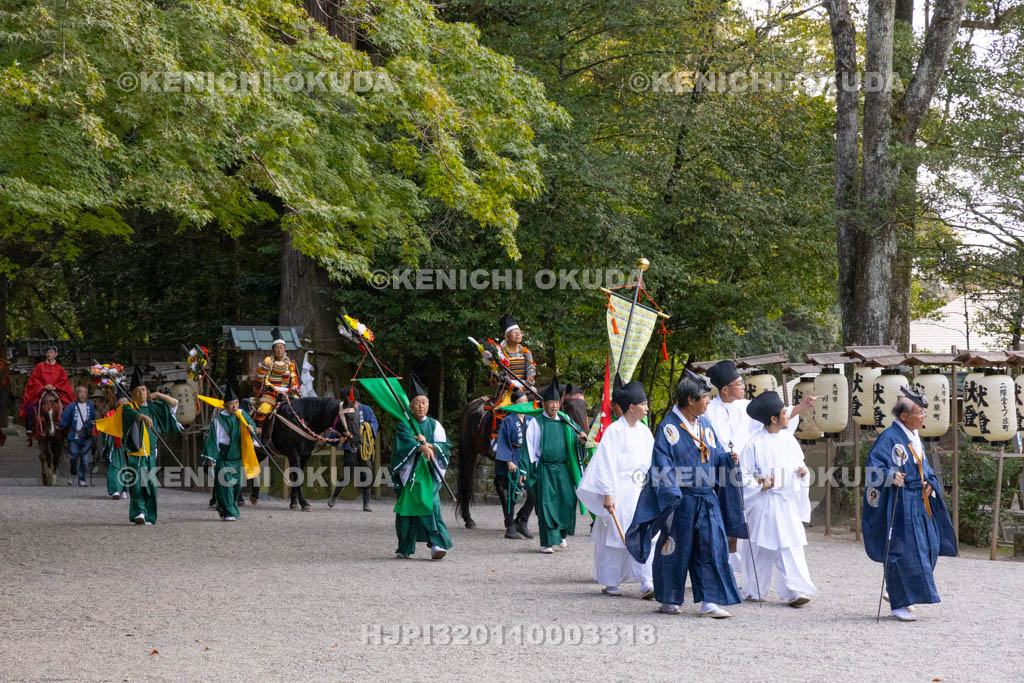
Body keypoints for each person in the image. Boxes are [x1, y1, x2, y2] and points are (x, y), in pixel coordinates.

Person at [626, 371, 748, 618]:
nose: (708, 402)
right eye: (705, 397)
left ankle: (710, 602)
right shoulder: (668, 427)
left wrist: (727, 460)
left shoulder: (705, 424)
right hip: (680, 499)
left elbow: (715, 455)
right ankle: (669, 598)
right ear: (690, 400)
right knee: (675, 549)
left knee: (712, 547)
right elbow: (661, 464)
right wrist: (671, 493)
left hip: (706, 499)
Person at [704, 359, 818, 578]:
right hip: (718, 469)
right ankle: (721, 568)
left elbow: (771, 421)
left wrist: (801, 408)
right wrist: (722, 457)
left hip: (749, 471)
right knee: (721, 520)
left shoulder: (747, 408)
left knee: (745, 521)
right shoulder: (709, 410)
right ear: (725, 388)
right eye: (738, 383)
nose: (742, 386)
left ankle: (744, 571)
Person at [863, 387, 957, 622]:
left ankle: (899, 593)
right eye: (919, 412)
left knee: (930, 546)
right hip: (900, 502)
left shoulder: (914, 437)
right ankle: (899, 603)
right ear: (904, 416)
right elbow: (873, 469)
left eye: (924, 412)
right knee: (903, 551)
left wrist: (930, 483)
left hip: (920, 499)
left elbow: (925, 468)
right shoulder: (889, 438)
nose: (923, 416)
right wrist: (890, 476)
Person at [576, 377, 656, 598]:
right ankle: (611, 582)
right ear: (632, 407)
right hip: (620, 489)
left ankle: (647, 582)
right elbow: (605, 464)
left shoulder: (645, 432)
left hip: (641, 489)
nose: (647, 408)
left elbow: (652, 462)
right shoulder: (613, 431)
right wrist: (608, 493)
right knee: (615, 535)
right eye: (644, 404)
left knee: (645, 533)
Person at [738, 391, 817, 606]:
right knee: (760, 546)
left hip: (785, 501)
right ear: (773, 418)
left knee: (790, 546)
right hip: (764, 501)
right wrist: (760, 485)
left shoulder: (789, 440)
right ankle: (755, 589)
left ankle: (796, 590)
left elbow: (799, 465)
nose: (787, 416)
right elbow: (743, 476)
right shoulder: (753, 444)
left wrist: (802, 473)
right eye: (784, 413)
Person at [390, 376, 452, 560]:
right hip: (411, 475)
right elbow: (403, 445)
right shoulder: (405, 424)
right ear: (410, 406)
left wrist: (431, 446)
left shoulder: (435, 425)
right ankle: (405, 547)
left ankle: (437, 544)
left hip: (430, 474)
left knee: (431, 505)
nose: (421, 406)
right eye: (417, 403)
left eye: (424, 402)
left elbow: (445, 446)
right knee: (407, 511)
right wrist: (419, 447)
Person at [522, 377, 584, 554]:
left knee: (568, 500)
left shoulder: (565, 421)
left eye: (557, 402)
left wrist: (580, 442)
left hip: (562, 468)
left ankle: (561, 535)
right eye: (551, 403)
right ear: (544, 404)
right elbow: (529, 447)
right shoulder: (536, 423)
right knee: (546, 505)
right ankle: (547, 542)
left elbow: (574, 441)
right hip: (545, 468)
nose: (554, 406)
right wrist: (527, 470)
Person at [118, 367, 181, 525]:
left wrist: (158, 394)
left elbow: (174, 404)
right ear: (132, 394)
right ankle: (139, 512)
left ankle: (150, 515)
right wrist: (142, 416)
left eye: (144, 390)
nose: (141, 394)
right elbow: (131, 416)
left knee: (151, 484)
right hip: (135, 452)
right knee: (137, 483)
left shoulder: (154, 406)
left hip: (151, 452)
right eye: (138, 391)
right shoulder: (128, 408)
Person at [200, 383, 257, 522]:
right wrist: (211, 458)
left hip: (237, 456)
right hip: (224, 455)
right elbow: (213, 439)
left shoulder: (242, 415)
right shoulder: (219, 420)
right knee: (226, 485)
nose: (234, 406)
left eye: (236, 403)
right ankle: (229, 512)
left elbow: (252, 426)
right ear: (224, 405)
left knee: (236, 486)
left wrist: (251, 428)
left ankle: (223, 508)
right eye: (231, 403)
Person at [328, 385, 379, 512]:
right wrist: (332, 438)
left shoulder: (366, 409)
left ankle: (366, 503)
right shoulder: (344, 410)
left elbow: (374, 423)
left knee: (366, 473)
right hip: (349, 446)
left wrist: (366, 429)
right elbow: (337, 426)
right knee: (346, 475)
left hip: (364, 446)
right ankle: (335, 496)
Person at [493, 389, 535, 540]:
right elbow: (503, 441)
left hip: (527, 459)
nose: (524, 403)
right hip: (513, 456)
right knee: (512, 493)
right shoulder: (508, 420)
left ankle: (522, 521)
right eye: (521, 401)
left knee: (533, 492)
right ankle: (510, 526)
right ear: (515, 404)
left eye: (526, 401)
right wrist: (509, 461)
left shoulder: (531, 419)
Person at [19, 344, 74, 445]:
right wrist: (43, 386)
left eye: (51, 352)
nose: (49, 354)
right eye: (48, 352)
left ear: (56, 354)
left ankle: (67, 430)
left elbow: (64, 382)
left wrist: (55, 387)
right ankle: (30, 429)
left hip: (56, 392)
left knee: (67, 407)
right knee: (31, 407)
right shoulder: (39, 366)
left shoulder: (60, 369)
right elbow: (34, 380)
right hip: (41, 391)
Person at [253, 327, 300, 434]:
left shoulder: (290, 364)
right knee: (264, 409)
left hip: (288, 394)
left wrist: (294, 388)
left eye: (282, 347)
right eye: (277, 347)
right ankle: (257, 430)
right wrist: (277, 390)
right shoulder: (269, 362)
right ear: (273, 350)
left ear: (285, 349)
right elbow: (265, 380)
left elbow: (294, 378)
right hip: (271, 393)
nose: (279, 350)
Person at [60, 386, 96, 487]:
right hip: (74, 436)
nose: (82, 394)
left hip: (86, 437)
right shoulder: (71, 406)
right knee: (73, 457)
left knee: (84, 460)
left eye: (84, 392)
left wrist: (94, 431)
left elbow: (94, 420)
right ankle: (73, 473)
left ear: (87, 394)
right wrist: (61, 426)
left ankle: (82, 479)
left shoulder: (90, 406)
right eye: (80, 392)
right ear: (77, 394)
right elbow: (64, 417)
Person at [102, 396, 130, 500]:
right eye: (121, 400)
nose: (123, 402)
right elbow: (105, 427)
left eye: (125, 400)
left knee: (127, 466)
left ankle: (124, 490)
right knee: (114, 467)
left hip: (128, 445)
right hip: (115, 445)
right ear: (116, 402)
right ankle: (115, 490)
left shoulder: (131, 413)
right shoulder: (110, 414)